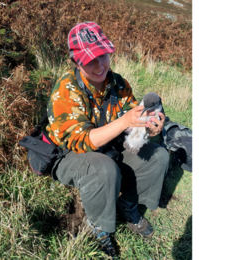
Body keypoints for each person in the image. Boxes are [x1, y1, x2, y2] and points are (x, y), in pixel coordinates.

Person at [46, 21, 169, 258]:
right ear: (76, 61)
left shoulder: (118, 83)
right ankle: (99, 226)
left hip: (108, 147)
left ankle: (129, 207)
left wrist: (149, 127)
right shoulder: (66, 89)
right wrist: (124, 122)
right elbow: (80, 141)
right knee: (104, 168)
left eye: (103, 55)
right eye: (90, 59)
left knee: (159, 155)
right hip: (70, 156)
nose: (100, 65)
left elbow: (133, 123)